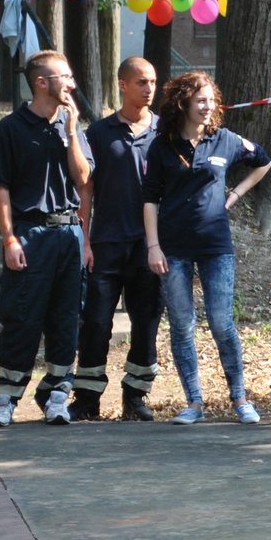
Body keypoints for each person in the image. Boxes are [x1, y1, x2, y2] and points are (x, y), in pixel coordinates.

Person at [143, 71, 271, 425]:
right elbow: (150, 199)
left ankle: (240, 398)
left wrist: (236, 194)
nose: (208, 106)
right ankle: (194, 403)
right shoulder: (162, 146)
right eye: (201, 100)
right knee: (182, 325)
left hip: (216, 247)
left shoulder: (225, 140)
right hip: (172, 248)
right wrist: (153, 246)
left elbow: (263, 161)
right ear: (183, 102)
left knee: (220, 322)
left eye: (211, 100)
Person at [0, 49, 93, 427]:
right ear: (42, 82)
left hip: (68, 233)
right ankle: (5, 398)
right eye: (66, 77)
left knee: (67, 318)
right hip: (31, 232)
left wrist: (72, 129)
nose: (73, 84)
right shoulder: (11, 128)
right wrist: (9, 239)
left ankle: (56, 395)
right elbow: (1, 190)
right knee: (21, 316)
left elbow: (82, 180)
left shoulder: (72, 126)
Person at [72, 57, 163, 422]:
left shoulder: (165, 132)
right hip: (107, 243)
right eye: (141, 81)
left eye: (153, 82)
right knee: (95, 321)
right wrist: (85, 239)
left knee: (147, 321)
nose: (149, 88)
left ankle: (136, 396)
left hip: (149, 246)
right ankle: (87, 398)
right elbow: (86, 190)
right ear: (122, 84)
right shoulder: (99, 132)